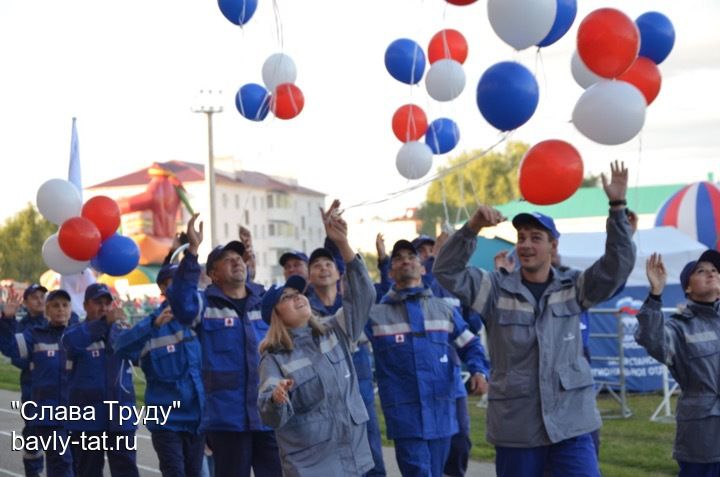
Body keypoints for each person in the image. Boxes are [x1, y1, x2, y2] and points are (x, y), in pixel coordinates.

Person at [433, 161, 636, 476]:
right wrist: (472, 227)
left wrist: (618, 207)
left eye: (535, 237)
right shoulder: (494, 289)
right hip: (517, 430)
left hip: (572, 425)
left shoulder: (575, 287)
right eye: (521, 237)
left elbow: (616, 266)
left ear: (553, 245)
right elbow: (446, 270)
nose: (526, 244)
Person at [257, 204, 376, 476]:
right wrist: (276, 399)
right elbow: (269, 414)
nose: (298, 297)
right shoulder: (274, 358)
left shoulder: (335, 330)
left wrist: (343, 244)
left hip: (353, 460)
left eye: (299, 293)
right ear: (276, 315)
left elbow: (364, 296)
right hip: (312, 468)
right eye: (287, 297)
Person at [168, 214, 281, 477]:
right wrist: (193, 252)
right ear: (213, 274)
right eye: (227, 260)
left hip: (268, 414)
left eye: (239, 258)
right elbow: (181, 303)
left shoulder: (265, 303)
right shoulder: (204, 304)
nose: (236, 262)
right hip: (227, 420)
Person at [367, 238, 489, 477]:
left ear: (423, 268)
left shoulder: (443, 309)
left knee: (439, 470)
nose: (405, 261)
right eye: (398, 258)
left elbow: (470, 344)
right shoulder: (376, 315)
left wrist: (478, 370)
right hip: (405, 418)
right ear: (390, 271)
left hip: (441, 414)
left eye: (411, 257)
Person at [113, 263, 205, 477]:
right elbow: (120, 347)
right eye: (175, 283)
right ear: (163, 289)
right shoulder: (151, 324)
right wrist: (153, 324)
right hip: (167, 422)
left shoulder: (198, 318)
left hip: (197, 419)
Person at [635, 251, 720, 477]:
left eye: (715, 270)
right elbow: (649, 338)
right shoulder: (679, 327)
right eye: (701, 271)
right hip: (703, 438)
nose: (711, 273)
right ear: (688, 288)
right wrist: (655, 294)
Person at [62, 283, 139, 477]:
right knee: (88, 472)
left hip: (121, 418)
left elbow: (139, 354)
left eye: (107, 303)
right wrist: (104, 323)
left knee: (127, 471)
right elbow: (71, 344)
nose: (103, 308)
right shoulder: (74, 332)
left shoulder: (121, 332)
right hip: (87, 419)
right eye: (98, 303)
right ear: (86, 304)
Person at [1, 289, 75, 477]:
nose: (60, 310)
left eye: (65, 305)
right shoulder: (35, 334)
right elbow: (11, 349)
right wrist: (7, 319)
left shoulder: (78, 335)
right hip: (46, 411)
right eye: (55, 306)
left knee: (68, 463)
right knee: (61, 462)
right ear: (47, 311)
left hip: (76, 412)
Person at [1, 283, 48, 477]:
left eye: (43, 296)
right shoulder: (21, 326)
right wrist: (7, 319)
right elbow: (15, 356)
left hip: (61, 391)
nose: (40, 300)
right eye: (35, 297)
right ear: (26, 302)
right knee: (33, 435)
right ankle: (33, 472)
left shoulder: (58, 320)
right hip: (33, 389)